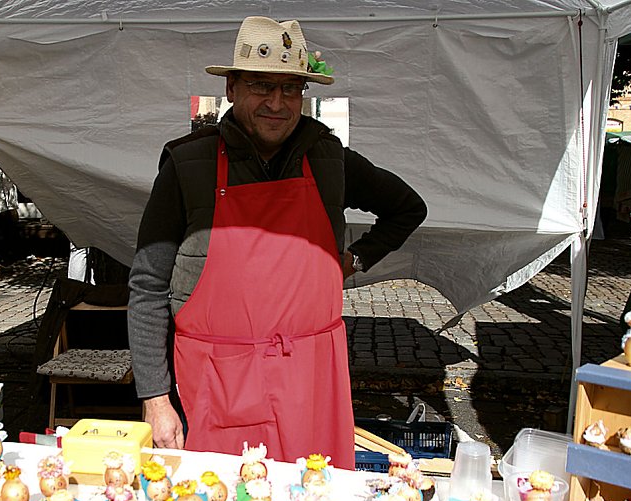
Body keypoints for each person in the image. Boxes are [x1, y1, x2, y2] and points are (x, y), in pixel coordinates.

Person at [128, 16, 427, 469]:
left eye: (290, 89)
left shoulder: (329, 159)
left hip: (310, 380)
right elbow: (148, 284)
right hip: (217, 381)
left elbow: (407, 207)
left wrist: (353, 259)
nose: (277, 103)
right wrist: (155, 397)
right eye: (261, 86)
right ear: (231, 88)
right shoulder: (188, 164)